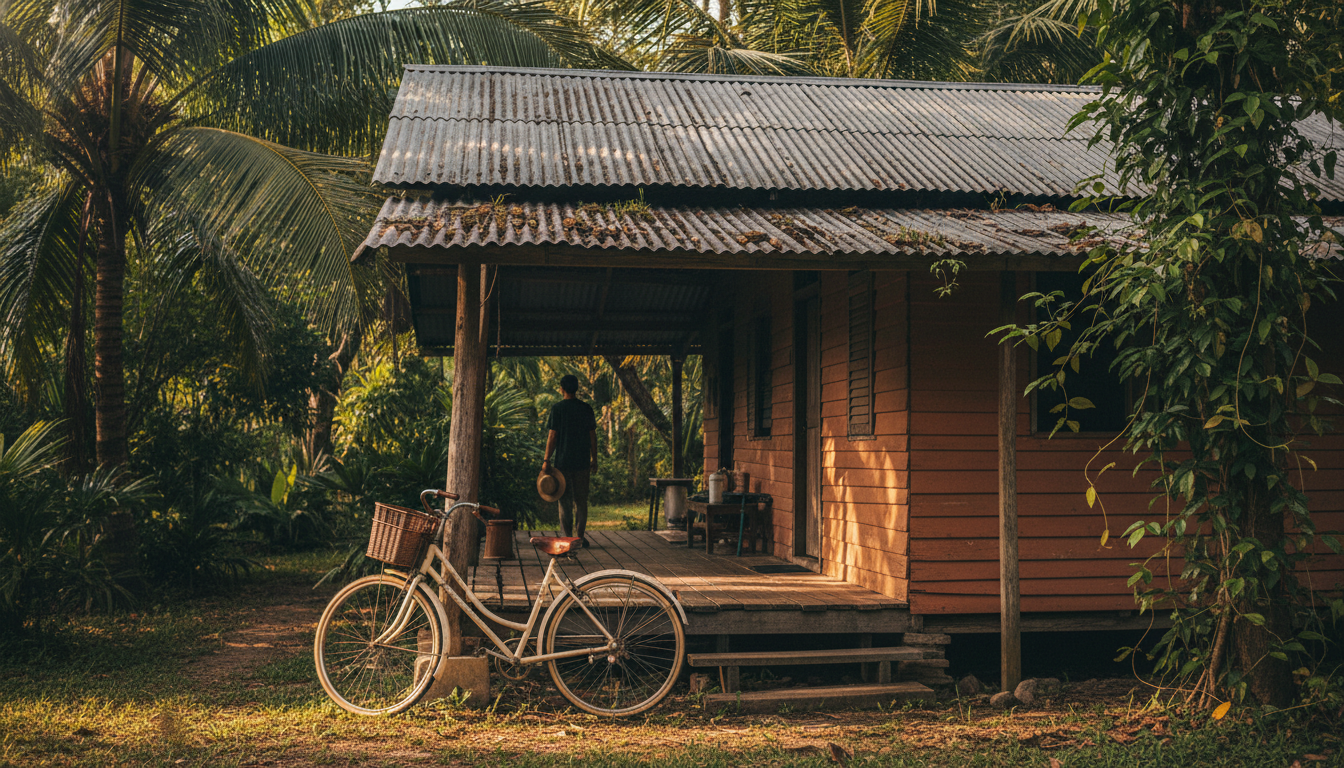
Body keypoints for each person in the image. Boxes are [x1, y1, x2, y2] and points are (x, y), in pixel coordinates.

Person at [543, 374, 598, 546]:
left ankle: (568, 538)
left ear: (562, 389)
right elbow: (592, 436)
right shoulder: (586, 408)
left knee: (564, 501)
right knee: (581, 501)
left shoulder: (558, 409)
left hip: (563, 462)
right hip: (582, 462)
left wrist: (546, 459)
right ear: (577, 389)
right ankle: (580, 538)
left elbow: (552, 435)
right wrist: (594, 458)